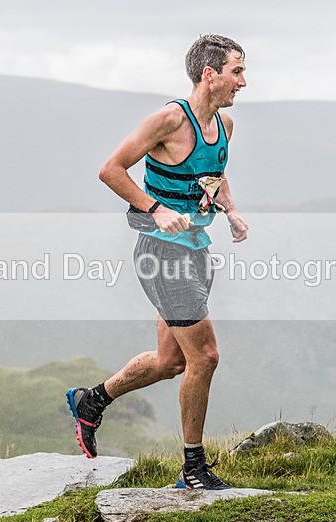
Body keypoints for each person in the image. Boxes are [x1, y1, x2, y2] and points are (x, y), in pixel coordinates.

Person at [66, 34, 248, 490]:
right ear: (210, 74)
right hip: (163, 254)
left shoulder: (224, 123)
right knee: (205, 356)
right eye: (237, 71)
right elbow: (110, 169)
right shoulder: (169, 120)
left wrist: (231, 210)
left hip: (196, 249)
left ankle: (92, 401)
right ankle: (193, 467)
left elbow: (215, 172)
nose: (243, 82)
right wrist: (155, 209)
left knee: (172, 362)